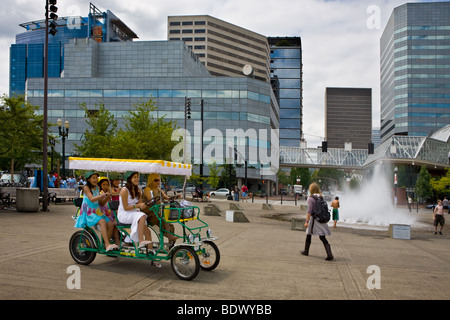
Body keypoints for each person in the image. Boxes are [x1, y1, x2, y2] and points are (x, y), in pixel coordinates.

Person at [74, 171, 118, 252]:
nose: (95, 180)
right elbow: (91, 198)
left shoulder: (97, 187)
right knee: (102, 221)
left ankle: (105, 243)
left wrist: (106, 196)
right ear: (89, 179)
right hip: (89, 212)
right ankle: (107, 244)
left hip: (97, 212)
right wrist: (101, 195)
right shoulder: (86, 188)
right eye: (93, 178)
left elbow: (100, 203)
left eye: (96, 178)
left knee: (111, 223)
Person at [117, 171, 155, 251]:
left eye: (137, 177)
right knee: (142, 216)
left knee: (147, 231)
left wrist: (147, 204)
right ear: (129, 179)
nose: (137, 179)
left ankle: (151, 253)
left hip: (134, 213)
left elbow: (141, 204)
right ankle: (140, 241)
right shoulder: (124, 190)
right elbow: (125, 207)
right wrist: (138, 206)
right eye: (134, 177)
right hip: (124, 214)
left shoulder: (138, 190)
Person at [142, 173, 179, 244]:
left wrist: (173, 197)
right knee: (163, 219)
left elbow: (166, 197)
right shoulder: (147, 189)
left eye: (159, 180)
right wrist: (160, 201)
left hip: (157, 212)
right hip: (149, 212)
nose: (158, 182)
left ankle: (171, 244)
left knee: (171, 226)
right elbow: (151, 200)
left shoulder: (159, 190)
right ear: (151, 180)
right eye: (156, 180)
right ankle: (169, 236)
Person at [300, 182, 333, 261]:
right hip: (321, 218)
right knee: (322, 237)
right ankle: (329, 254)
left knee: (309, 234)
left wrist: (306, 221)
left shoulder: (310, 198)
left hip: (314, 219)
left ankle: (306, 251)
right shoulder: (321, 197)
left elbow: (309, 211)